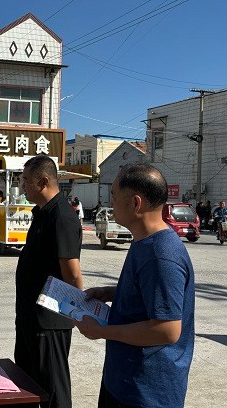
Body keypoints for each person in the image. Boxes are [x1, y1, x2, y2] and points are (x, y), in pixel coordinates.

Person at [74, 164, 195, 408]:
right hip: (124, 381)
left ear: (135, 203)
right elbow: (149, 297)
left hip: (146, 394)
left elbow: (167, 330)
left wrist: (101, 331)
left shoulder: (161, 255)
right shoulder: (144, 241)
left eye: (114, 197)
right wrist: (111, 293)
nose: (111, 203)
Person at [15, 155, 83, 408]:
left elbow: (72, 273)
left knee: (54, 390)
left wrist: (80, 312)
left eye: (26, 180)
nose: (22, 185)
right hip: (31, 317)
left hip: (49, 321)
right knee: (29, 384)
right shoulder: (42, 213)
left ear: (43, 181)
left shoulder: (61, 216)